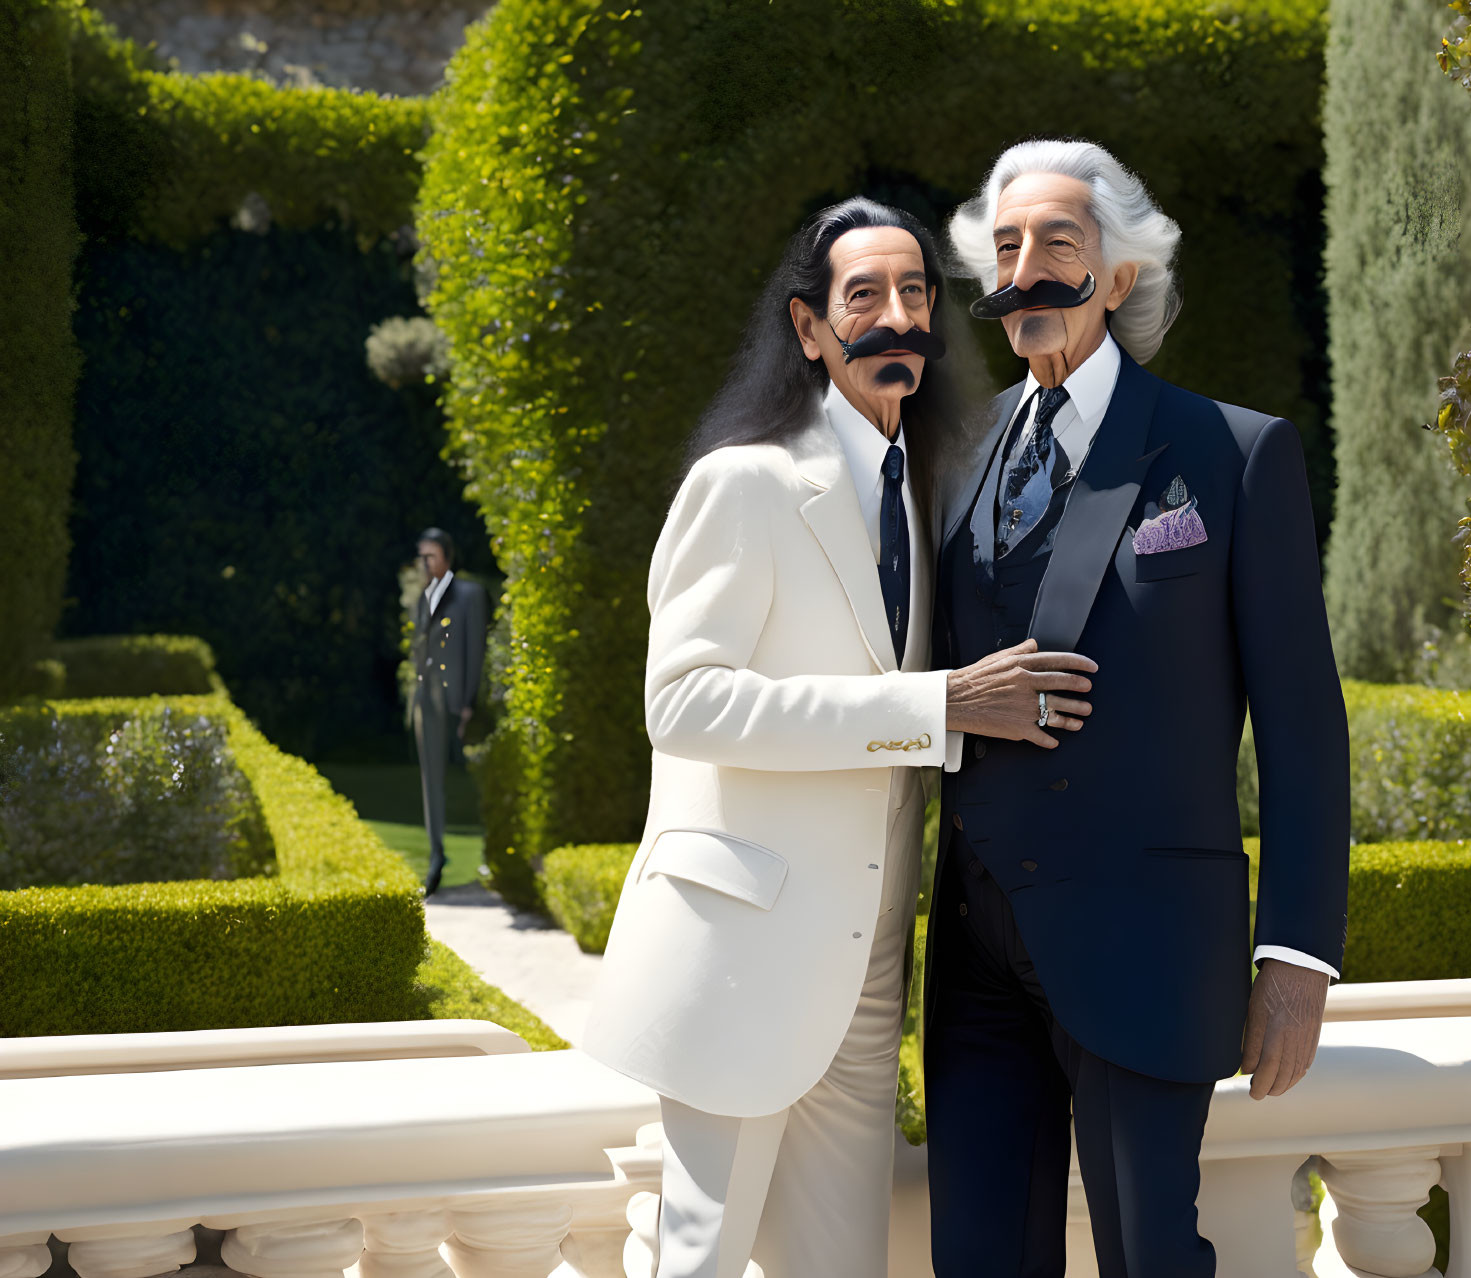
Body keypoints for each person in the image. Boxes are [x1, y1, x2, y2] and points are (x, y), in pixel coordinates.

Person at [582, 196, 1098, 1278]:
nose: (897, 317)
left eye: (914, 293)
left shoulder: (926, 495)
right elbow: (681, 703)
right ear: (808, 327)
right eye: (863, 295)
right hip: (738, 953)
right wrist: (937, 705)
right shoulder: (742, 482)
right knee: (699, 1260)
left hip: (867, 968)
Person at [924, 138, 1350, 1277]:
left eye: (1057, 243)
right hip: (974, 955)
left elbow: (1302, 722)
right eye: (1005, 247)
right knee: (975, 1259)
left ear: (1117, 275)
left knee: (1152, 1259)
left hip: (1143, 939)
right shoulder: (952, 458)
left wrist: (1297, 956)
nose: (1026, 271)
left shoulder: (1232, 452)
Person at [410, 527, 486, 896]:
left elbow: (475, 650)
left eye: (431, 556)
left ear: (447, 557)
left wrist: (469, 701)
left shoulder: (467, 594)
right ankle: (436, 855)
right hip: (426, 701)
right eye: (421, 556)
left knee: (471, 778)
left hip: (456, 702)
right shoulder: (421, 598)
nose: (425, 563)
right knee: (432, 781)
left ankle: (491, 851)